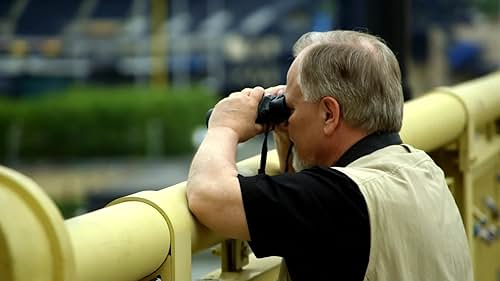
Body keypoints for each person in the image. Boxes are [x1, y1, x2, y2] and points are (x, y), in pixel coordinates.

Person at [186, 30, 473, 281]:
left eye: (292, 108)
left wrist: (224, 126)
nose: (287, 118)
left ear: (329, 114)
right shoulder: (423, 168)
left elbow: (209, 195)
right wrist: (289, 136)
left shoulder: (339, 200)